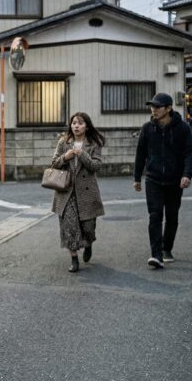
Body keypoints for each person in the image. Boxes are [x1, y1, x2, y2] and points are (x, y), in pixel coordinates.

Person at [133, 92, 192, 269]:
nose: (153, 110)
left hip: (175, 180)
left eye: (157, 106)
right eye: (152, 106)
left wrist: (187, 174)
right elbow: (141, 154)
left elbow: (190, 153)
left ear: (168, 108)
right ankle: (156, 254)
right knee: (155, 216)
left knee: (172, 216)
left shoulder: (183, 128)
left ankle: (167, 248)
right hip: (153, 180)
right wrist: (137, 177)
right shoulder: (147, 128)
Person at [50, 112, 106, 272]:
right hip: (66, 192)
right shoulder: (63, 143)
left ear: (87, 126)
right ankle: (74, 258)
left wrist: (82, 154)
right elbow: (53, 164)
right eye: (74, 123)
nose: (76, 126)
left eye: (80, 123)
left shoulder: (94, 144)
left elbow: (96, 166)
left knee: (88, 227)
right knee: (69, 227)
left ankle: (88, 243)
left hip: (87, 192)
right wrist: (65, 157)